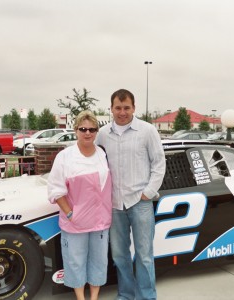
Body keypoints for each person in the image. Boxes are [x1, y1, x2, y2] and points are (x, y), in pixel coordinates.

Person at [96, 89, 166, 300]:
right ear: (111, 109)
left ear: (134, 108)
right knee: (119, 255)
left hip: (140, 203)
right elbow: (96, 164)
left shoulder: (147, 131)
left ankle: (146, 297)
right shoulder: (103, 134)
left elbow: (159, 163)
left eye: (127, 108)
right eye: (118, 108)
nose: (122, 112)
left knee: (144, 256)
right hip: (114, 204)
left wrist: (148, 192)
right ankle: (125, 295)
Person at [47, 110, 112, 300]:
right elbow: (56, 188)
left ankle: (94, 297)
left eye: (92, 129)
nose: (88, 133)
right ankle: (80, 297)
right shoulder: (65, 156)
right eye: (83, 129)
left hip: (100, 221)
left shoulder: (101, 153)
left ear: (96, 131)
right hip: (75, 223)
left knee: (99, 261)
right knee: (75, 261)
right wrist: (69, 214)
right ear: (76, 130)